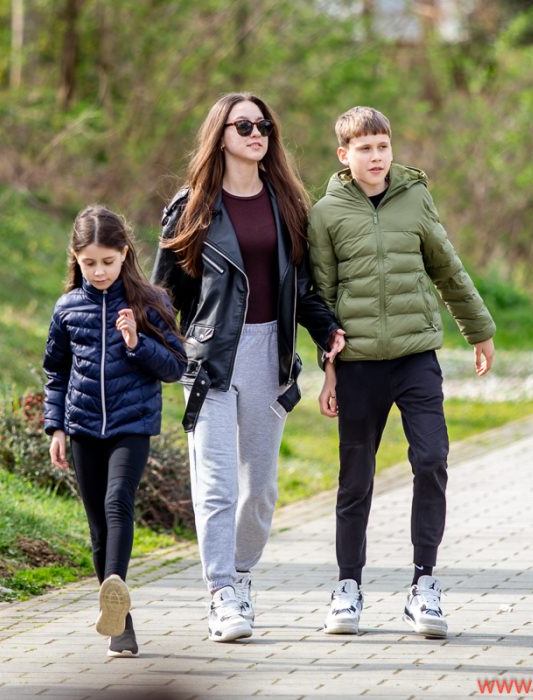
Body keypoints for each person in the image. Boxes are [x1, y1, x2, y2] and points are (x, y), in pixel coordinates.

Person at [152, 93, 346, 643]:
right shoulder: (191, 207)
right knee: (217, 487)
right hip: (210, 359)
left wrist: (326, 329)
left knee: (259, 491)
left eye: (263, 125)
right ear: (220, 136)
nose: (256, 133)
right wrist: (154, 352)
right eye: (243, 126)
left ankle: (239, 575)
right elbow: (164, 295)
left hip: (270, 354)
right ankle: (221, 593)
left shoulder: (288, 204)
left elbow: (301, 288)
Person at [307, 106, 497, 639]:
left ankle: (424, 585)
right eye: (365, 148)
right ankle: (347, 587)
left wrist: (479, 329)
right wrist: (328, 370)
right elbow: (322, 299)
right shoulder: (325, 214)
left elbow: (446, 267)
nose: (376, 157)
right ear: (344, 155)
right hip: (358, 365)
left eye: (383, 147)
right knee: (355, 479)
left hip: (416, 358)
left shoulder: (416, 198)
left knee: (432, 459)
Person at [43, 205, 186, 658]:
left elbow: (175, 366)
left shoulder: (151, 302)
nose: (100, 271)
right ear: (76, 258)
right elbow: (56, 373)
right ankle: (120, 623)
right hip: (83, 427)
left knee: (117, 502)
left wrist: (136, 343)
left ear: (125, 253)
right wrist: (56, 427)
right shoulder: (67, 309)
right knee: (98, 531)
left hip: (131, 425)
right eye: (89, 263)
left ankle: (115, 600)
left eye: (108, 261)